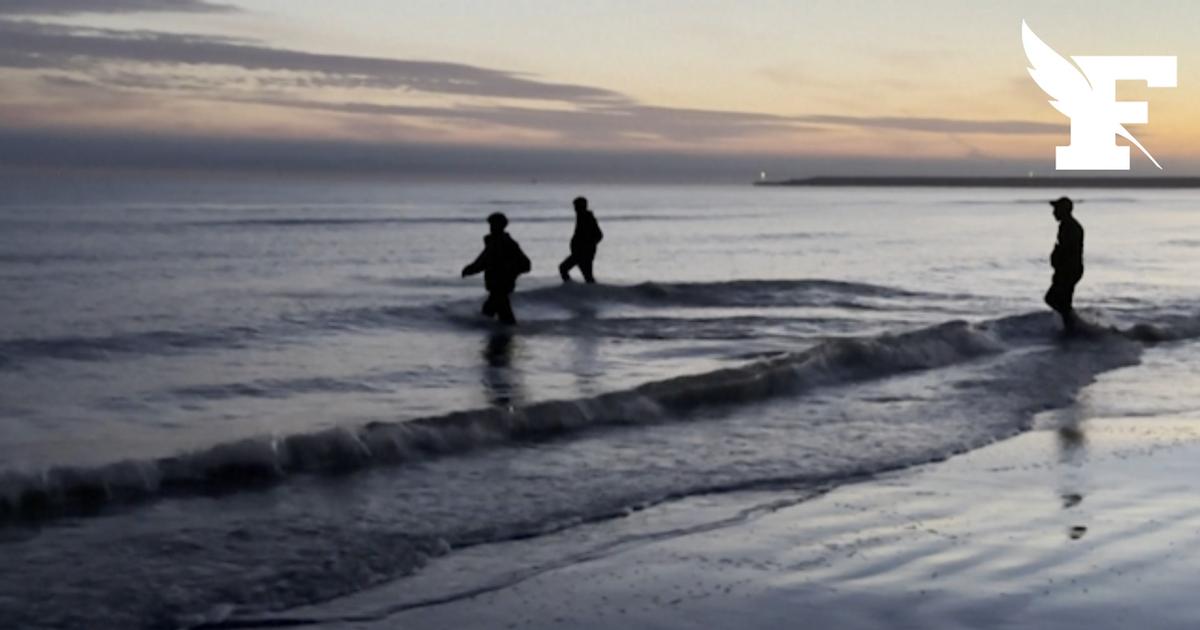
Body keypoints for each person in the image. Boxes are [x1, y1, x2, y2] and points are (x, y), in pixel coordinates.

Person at [462, 212, 531, 325]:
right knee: (493, 314)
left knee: (498, 315)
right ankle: (505, 333)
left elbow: (526, 264)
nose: (491, 228)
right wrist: (470, 269)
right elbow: (483, 261)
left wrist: (509, 271)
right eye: (491, 225)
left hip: (501, 286)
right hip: (497, 286)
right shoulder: (495, 242)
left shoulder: (505, 243)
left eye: (493, 225)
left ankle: (506, 333)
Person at [1044, 196, 1084, 334]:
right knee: (1060, 301)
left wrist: (1059, 262)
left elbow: (1068, 250)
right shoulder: (1066, 225)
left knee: (1053, 299)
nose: (1053, 212)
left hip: (1069, 271)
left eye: (1056, 209)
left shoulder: (1070, 227)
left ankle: (1073, 326)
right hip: (1067, 270)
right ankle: (1071, 327)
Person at [558, 196, 603, 283]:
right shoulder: (581, 217)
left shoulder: (587, 217)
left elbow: (599, 235)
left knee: (563, 268)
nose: (574, 209)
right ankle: (573, 287)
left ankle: (572, 287)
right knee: (587, 276)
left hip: (583, 254)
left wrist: (588, 246)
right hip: (579, 253)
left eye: (576, 206)